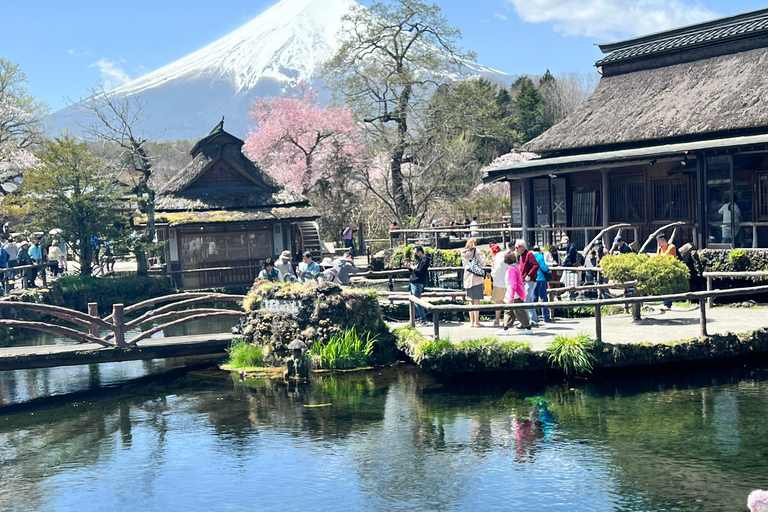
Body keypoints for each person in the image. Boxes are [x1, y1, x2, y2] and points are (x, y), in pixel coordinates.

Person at [497, 250, 532, 336]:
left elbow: (513, 284)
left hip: (514, 294)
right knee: (510, 311)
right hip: (514, 293)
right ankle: (506, 328)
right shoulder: (516, 266)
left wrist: (511, 297)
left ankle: (528, 328)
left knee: (519, 312)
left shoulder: (512, 269)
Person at [461, 237, 487, 327]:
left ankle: (471, 322)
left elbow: (464, 265)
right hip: (476, 279)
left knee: (470, 301)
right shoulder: (477, 251)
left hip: (467, 278)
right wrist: (483, 256)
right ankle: (477, 321)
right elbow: (483, 262)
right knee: (477, 301)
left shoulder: (463, 253)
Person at [514, 239, 540, 327]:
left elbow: (536, 265)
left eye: (517, 247)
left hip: (531, 281)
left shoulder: (529, 254)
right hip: (524, 281)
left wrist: (529, 274)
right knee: (528, 300)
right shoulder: (521, 256)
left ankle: (531, 320)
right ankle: (529, 320)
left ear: (523, 247)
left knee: (526, 300)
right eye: (515, 247)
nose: (516, 249)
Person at [406, 245, 430, 325]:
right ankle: (417, 318)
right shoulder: (419, 261)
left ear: (420, 252)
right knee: (413, 302)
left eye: (416, 253)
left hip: (418, 283)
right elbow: (415, 272)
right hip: (413, 283)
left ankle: (423, 319)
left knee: (417, 302)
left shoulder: (425, 260)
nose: (415, 255)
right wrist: (410, 267)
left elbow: (420, 271)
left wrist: (413, 268)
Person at [656, 233, 678, 310]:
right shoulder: (659, 249)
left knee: (668, 286)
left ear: (663, 240)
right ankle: (664, 303)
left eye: (659, 241)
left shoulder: (671, 247)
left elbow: (665, 256)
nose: (658, 244)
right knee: (663, 286)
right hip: (662, 269)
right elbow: (657, 258)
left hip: (670, 269)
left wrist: (661, 250)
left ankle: (668, 305)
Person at [489, 242, 509, 327]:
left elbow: (497, 269)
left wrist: (492, 272)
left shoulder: (497, 257)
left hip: (498, 282)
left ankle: (497, 320)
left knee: (498, 303)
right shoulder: (504, 255)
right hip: (506, 282)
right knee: (505, 302)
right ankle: (506, 320)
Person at [532, 246, 551, 323]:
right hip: (541, 278)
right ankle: (545, 317)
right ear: (539, 250)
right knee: (543, 297)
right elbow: (544, 267)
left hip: (533, 279)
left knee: (534, 297)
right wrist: (548, 268)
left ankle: (534, 317)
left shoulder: (530, 256)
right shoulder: (540, 256)